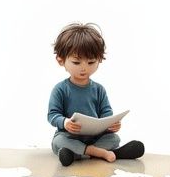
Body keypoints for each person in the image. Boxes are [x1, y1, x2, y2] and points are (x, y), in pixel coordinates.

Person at [47, 22, 145, 166]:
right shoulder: (60, 89)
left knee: (114, 138)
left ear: (99, 60)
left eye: (91, 62)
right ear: (61, 60)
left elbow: (106, 112)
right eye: (76, 62)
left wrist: (111, 124)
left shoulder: (99, 89)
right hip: (69, 136)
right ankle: (103, 153)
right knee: (58, 142)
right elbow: (52, 115)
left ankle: (78, 154)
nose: (84, 68)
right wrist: (65, 122)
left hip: (95, 137)